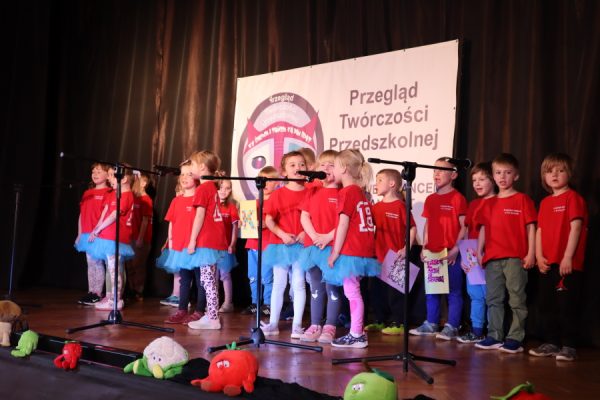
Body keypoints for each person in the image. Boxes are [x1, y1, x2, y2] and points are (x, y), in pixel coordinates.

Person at [475, 153, 536, 353]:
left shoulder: (522, 199)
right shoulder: (489, 203)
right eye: (498, 173)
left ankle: (515, 337)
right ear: (493, 176)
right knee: (494, 299)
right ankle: (494, 335)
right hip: (493, 258)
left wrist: (531, 253)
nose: (502, 177)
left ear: (516, 176)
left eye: (507, 173)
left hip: (515, 257)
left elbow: (531, 227)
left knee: (516, 299)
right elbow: (483, 229)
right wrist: (479, 250)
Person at [529, 153, 588, 361]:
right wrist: (538, 256)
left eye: (560, 170)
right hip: (547, 263)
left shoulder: (573, 198)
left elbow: (576, 228)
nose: (554, 175)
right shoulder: (545, 202)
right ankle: (552, 343)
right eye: (549, 171)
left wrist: (568, 257)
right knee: (547, 305)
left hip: (566, 264)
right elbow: (540, 231)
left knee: (567, 306)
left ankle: (569, 345)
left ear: (569, 174)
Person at [327, 149, 381, 348]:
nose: (332, 170)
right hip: (362, 249)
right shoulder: (359, 192)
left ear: (344, 168)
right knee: (354, 291)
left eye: (334, 166)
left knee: (352, 292)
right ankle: (357, 332)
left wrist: (335, 252)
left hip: (352, 250)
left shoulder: (347, 192)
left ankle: (357, 334)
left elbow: (343, 224)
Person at [409, 157, 467, 340]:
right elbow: (428, 224)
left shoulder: (458, 198)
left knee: (454, 291)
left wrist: (456, 249)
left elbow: (464, 226)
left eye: (441, 170)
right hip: (433, 252)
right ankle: (431, 323)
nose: (437, 173)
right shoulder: (431, 199)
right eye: (435, 170)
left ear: (453, 175)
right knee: (432, 290)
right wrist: (424, 247)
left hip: (451, 252)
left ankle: (452, 326)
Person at [260, 151, 307, 338]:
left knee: (299, 284)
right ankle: (273, 324)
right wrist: (282, 235)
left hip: (302, 246)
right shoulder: (278, 194)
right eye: (292, 165)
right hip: (281, 245)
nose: (298, 168)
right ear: (284, 171)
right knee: (279, 284)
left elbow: (314, 218)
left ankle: (297, 325)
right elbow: (269, 220)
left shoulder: (311, 192)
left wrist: (305, 233)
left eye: (301, 164)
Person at [298, 150, 341, 343]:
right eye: (323, 165)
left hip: (332, 246)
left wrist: (327, 236)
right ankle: (315, 324)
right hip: (313, 246)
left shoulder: (342, 193)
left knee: (333, 287)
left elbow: (344, 221)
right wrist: (314, 236)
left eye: (331, 165)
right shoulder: (312, 191)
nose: (326, 168)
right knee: (316, 287)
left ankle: (330, 325)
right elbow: (304, 216)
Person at [368, 169, 416, 336]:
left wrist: (406, 248)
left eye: (380, 180)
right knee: (377, 292)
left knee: (395, 294)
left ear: (392, 184)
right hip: (377, 256)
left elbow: (412, 228)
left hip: (396, 256)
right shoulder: (375, 207)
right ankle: (379, 319)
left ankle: (399, 322)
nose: (376, 184)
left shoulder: (401, 206)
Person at [185, 150, 229, 330]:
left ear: (202, 167)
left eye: (193, 165)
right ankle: (211, 315)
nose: (190, 168)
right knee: (208, 278)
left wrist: (192, 240)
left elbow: (200, 216)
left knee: (208, 279)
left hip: (207, 239)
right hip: (214, 238)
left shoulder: (203, 188)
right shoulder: (211, 187)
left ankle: (213, 318)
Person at [86, 164, 136, 311]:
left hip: (116, 237)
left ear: (124, 179)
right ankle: (110, 296)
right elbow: (106, 212)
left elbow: (115, 215)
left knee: (115, 269)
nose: (109, 179)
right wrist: (96, 228)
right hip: (107, 236)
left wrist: (99, 228)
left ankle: (115, 299)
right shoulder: (113, 194)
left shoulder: (127, 195)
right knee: (111, 268)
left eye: (112, 176)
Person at [159, 162, 204, 323]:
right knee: (184, 280)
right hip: (180, 247)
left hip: (196, 247)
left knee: (200, 280)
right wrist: (171, 243)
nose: (184, 177)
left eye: (189, 174)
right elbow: (172, 222)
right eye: (182, 174)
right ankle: (182, 310)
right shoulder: (176, 201)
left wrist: (194, 241)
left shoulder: (199, 199)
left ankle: (200, 310)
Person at [456, 162, 496, 344]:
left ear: (493, 180)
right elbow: (465, 230)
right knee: (475, 295)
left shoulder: (498, 202)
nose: (477, 184)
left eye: (482, 179)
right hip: (472, 257)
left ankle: (493, 333)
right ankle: (477, 330)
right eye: (474, 180)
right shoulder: (473, 204)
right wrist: (464, 256)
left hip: (490, 256)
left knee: (491, 296)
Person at [241, 166, 278, 316]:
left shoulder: (277, 202)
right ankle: (255, 302)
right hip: (253, 244)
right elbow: (247, 223)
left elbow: (279, 221)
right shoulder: (253, 203)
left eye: (269, 180)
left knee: (267, 276)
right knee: (253, 276)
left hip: (268, 245)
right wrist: (244, 223)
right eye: (262, 180)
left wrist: (266, 224)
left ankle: (268, 304)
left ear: (277, 183)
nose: (265, 184)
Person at [74, 163, 111, 305]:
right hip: (86, 234)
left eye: (99, 172)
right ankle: (91, 291)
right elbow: (81, 214)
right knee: (90, 263)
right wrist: (79, 233)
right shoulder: (87, 193)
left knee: (98, 262)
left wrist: (97, 230)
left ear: (107, 175)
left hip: (99, 234)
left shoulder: (109, 192)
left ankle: (97, 293)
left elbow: (106, 214)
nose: (95, 174)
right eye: (93, 172)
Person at [125, 172, 154, 300]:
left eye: (138, 180)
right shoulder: (132, 197)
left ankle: (139, 291)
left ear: (144, 183)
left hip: (140, 239)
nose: (135, 182)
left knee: (138, 265)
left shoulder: (146, 199)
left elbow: (145, 221)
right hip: (129, 237)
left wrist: (140, 238)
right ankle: (131, 290)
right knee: (129, 266)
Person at [216, 178, 239, 313]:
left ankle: (228, 302)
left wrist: (232, 244)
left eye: (227, 188)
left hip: (225, 247)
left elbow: (235, 227)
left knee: (225, 274)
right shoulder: (212, 205)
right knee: (212, 276)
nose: (224, 191)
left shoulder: (231, 207)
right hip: (212, 247)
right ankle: (213, 302)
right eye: (221, 188)